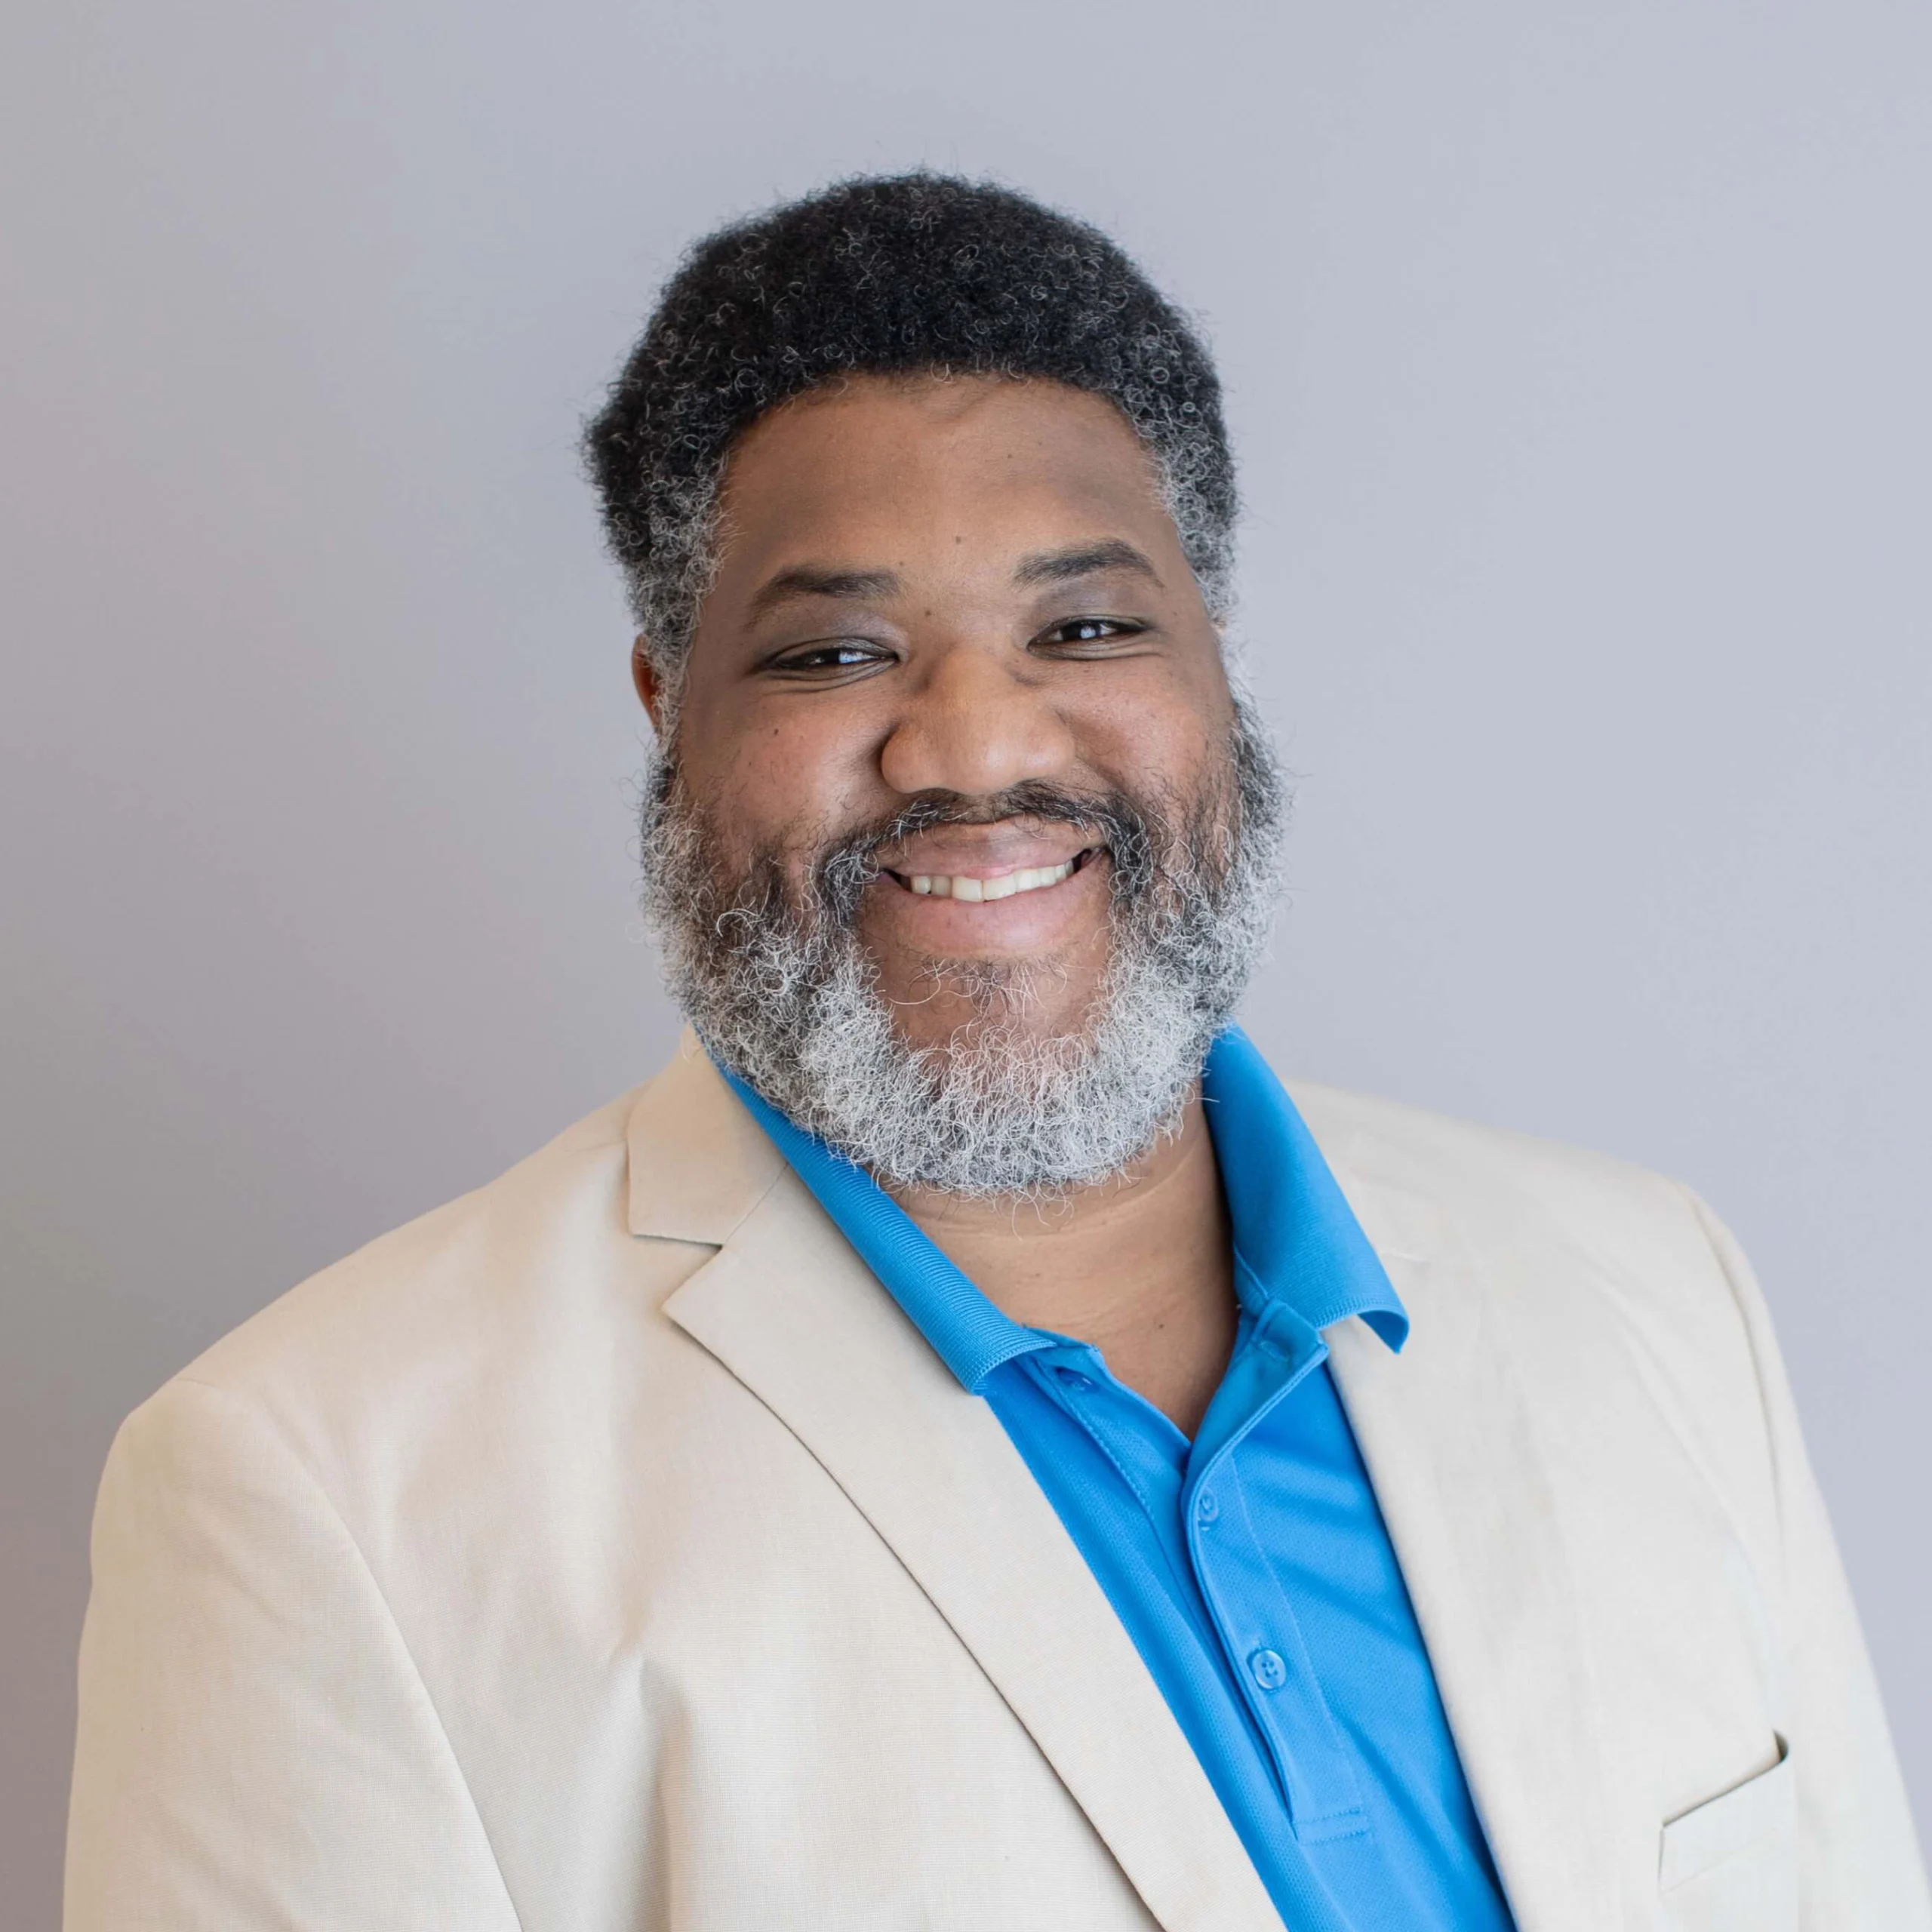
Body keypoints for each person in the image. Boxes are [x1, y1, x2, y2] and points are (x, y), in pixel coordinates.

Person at [65, 174, 1927, 1932]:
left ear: (1214, 660)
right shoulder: (324, 1489)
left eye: (1086, 624)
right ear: (663, 701)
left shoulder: (1648, 1285)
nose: (971, 744)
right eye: (832, 654)